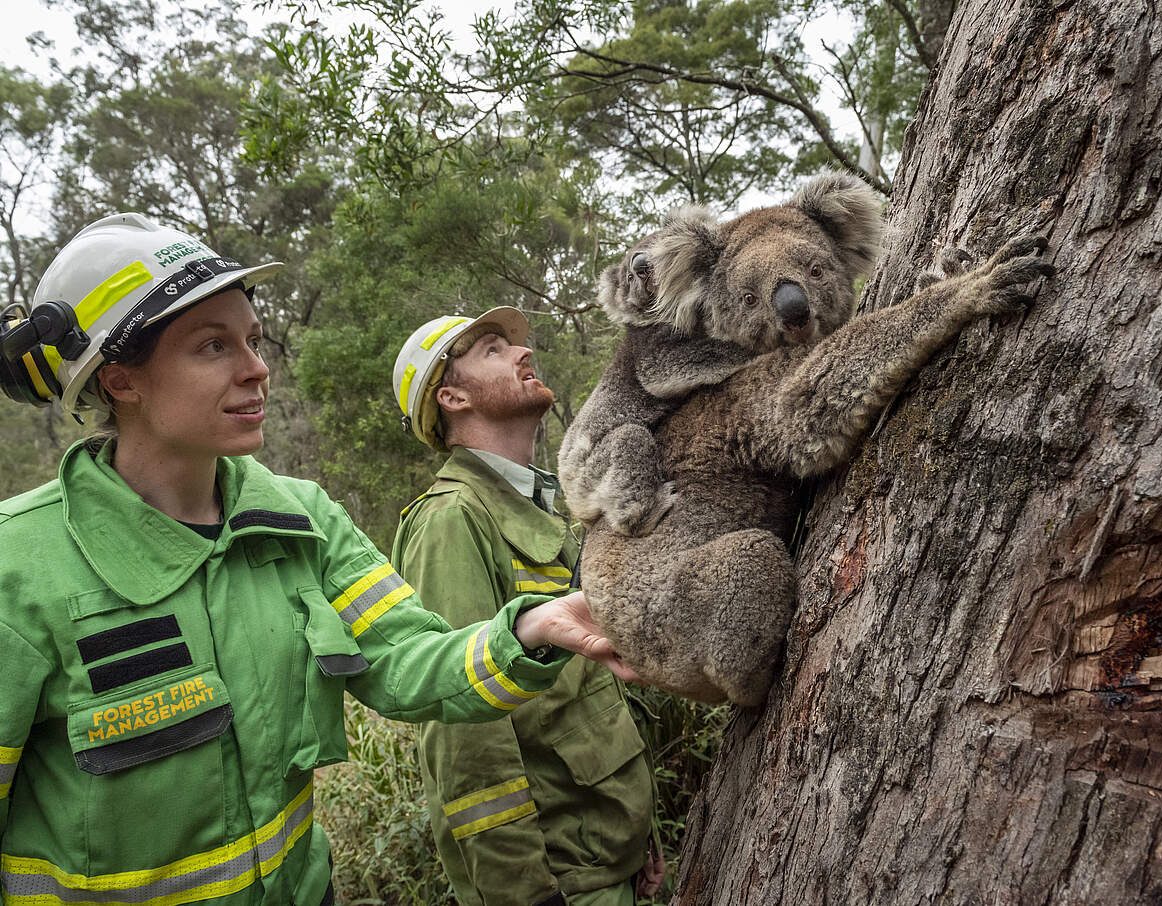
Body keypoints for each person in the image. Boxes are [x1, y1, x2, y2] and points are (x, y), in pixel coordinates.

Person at [0, 213, 633, 906]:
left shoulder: (302, 519)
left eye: (252, 338)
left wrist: (526, 632)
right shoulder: (21, 567)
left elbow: (406, 665)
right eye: (213, 346)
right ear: (122, 381)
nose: (257, 368)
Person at [391, 309, 665, 906]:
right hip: (562, 883)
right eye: (492, 350)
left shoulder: (543, 505)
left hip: (609, 852)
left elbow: (591, 688)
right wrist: (522, 895)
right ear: (453, 396)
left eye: (514, 344)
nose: (522, 354)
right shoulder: (451, 520)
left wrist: (642, 831)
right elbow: (463, 734)